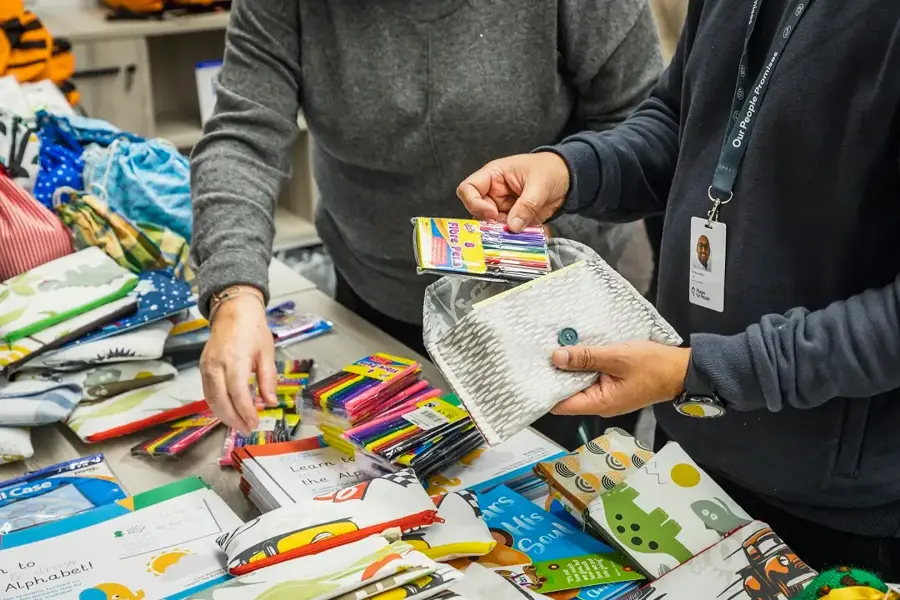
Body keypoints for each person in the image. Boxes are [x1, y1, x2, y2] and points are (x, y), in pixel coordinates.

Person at [457, 0, 900, 575]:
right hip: (688, 438)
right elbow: (681, 119)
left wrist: (701, 372)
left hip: (832, 505)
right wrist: (572, 171)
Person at [190, 0, 663, 449]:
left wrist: (557, 228)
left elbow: (641, 128)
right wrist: (235, 293)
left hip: (548, 305)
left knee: (546, 499)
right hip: (374, 294)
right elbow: (242, 138)